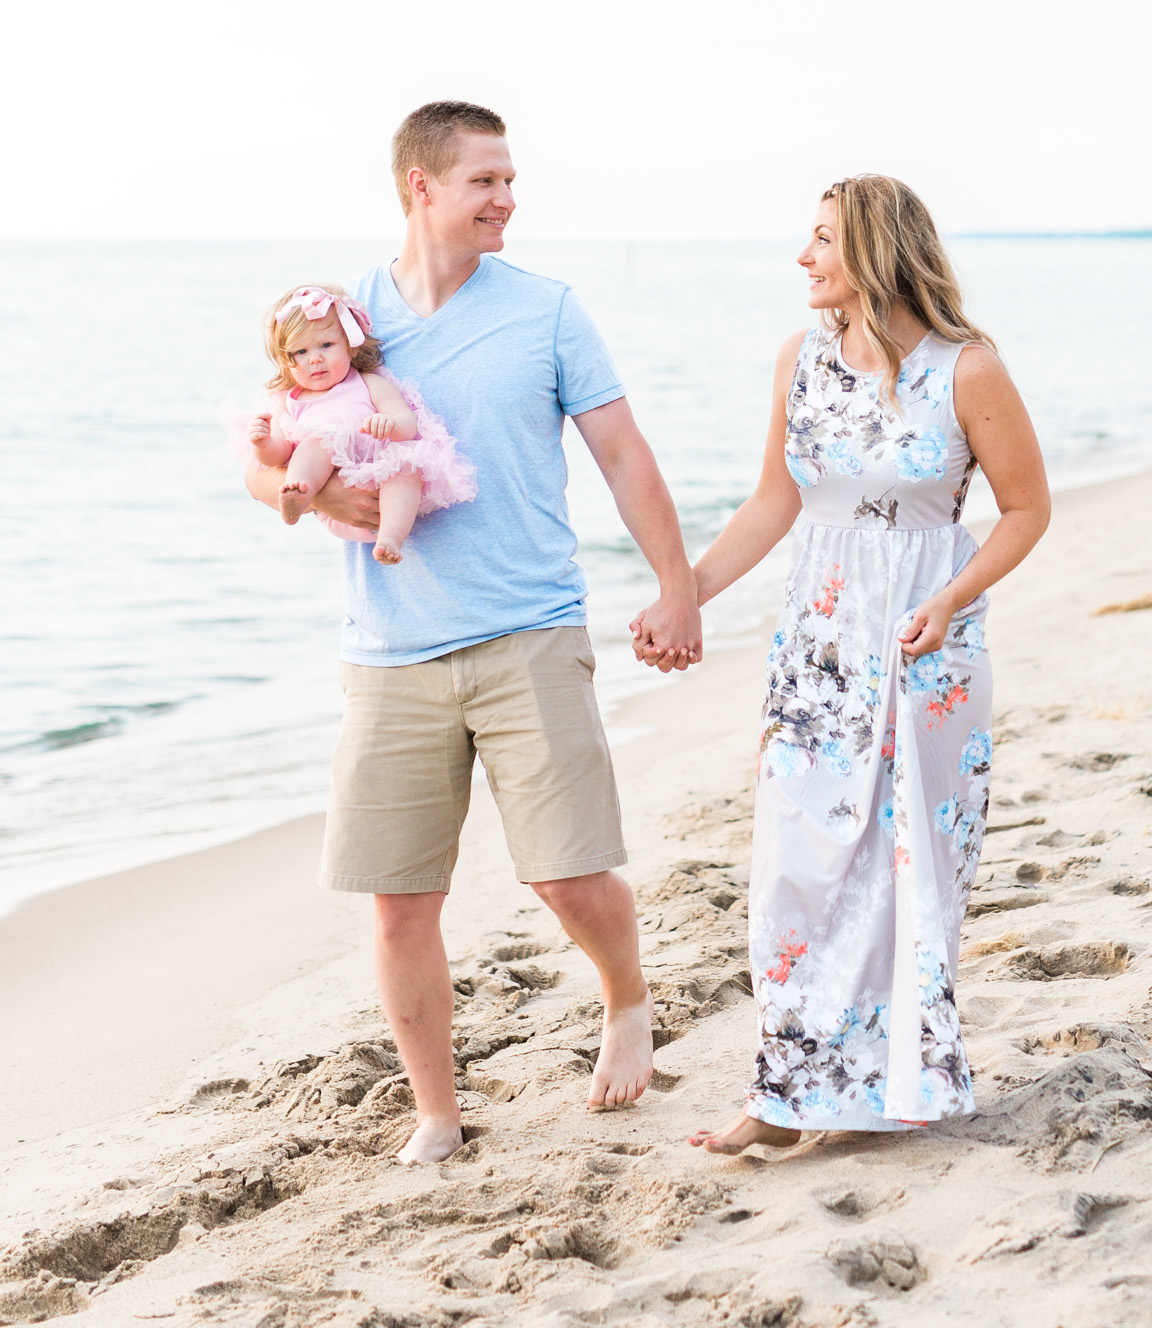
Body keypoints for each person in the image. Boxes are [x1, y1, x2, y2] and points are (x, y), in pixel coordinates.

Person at [246, 100, 702, 1163]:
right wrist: (312, 498)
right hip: (389, 651)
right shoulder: (338, 318)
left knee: (567, 875)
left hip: (527, 628)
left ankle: (626, 997)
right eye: (485, 180)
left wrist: (676, 587)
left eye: (509, 179)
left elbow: (624, 455)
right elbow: (260, 452)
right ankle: (438, 1112)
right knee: (401, 904)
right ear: (421, 186)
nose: (508, 197)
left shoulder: (545, 310)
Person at [631, 174, 1050, 1153]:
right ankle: (787, 1091)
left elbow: (1027, 507)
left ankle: (886, 1085)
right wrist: (684, 589)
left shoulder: (967, 369)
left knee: (907, 872)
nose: (804, 256)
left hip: (924, 646)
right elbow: (774, 504)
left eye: (820, 238)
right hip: (817, 652)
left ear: (870, 249)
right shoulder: (801, 360)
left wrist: (950, 597)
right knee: (795, 871)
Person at [244, 284, 475, 564]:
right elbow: (279, 454)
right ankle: (298, 494)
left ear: (351, 347)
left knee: (407, 469)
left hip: (381, 484)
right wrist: (263, 444)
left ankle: (390, 537)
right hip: (338, 509)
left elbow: (408, 424)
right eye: (300, 352)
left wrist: (389, 424)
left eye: (326, 345)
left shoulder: (369, 384)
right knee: (316, 444)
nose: (314, 358)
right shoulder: (289, 402)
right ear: (285, 360)